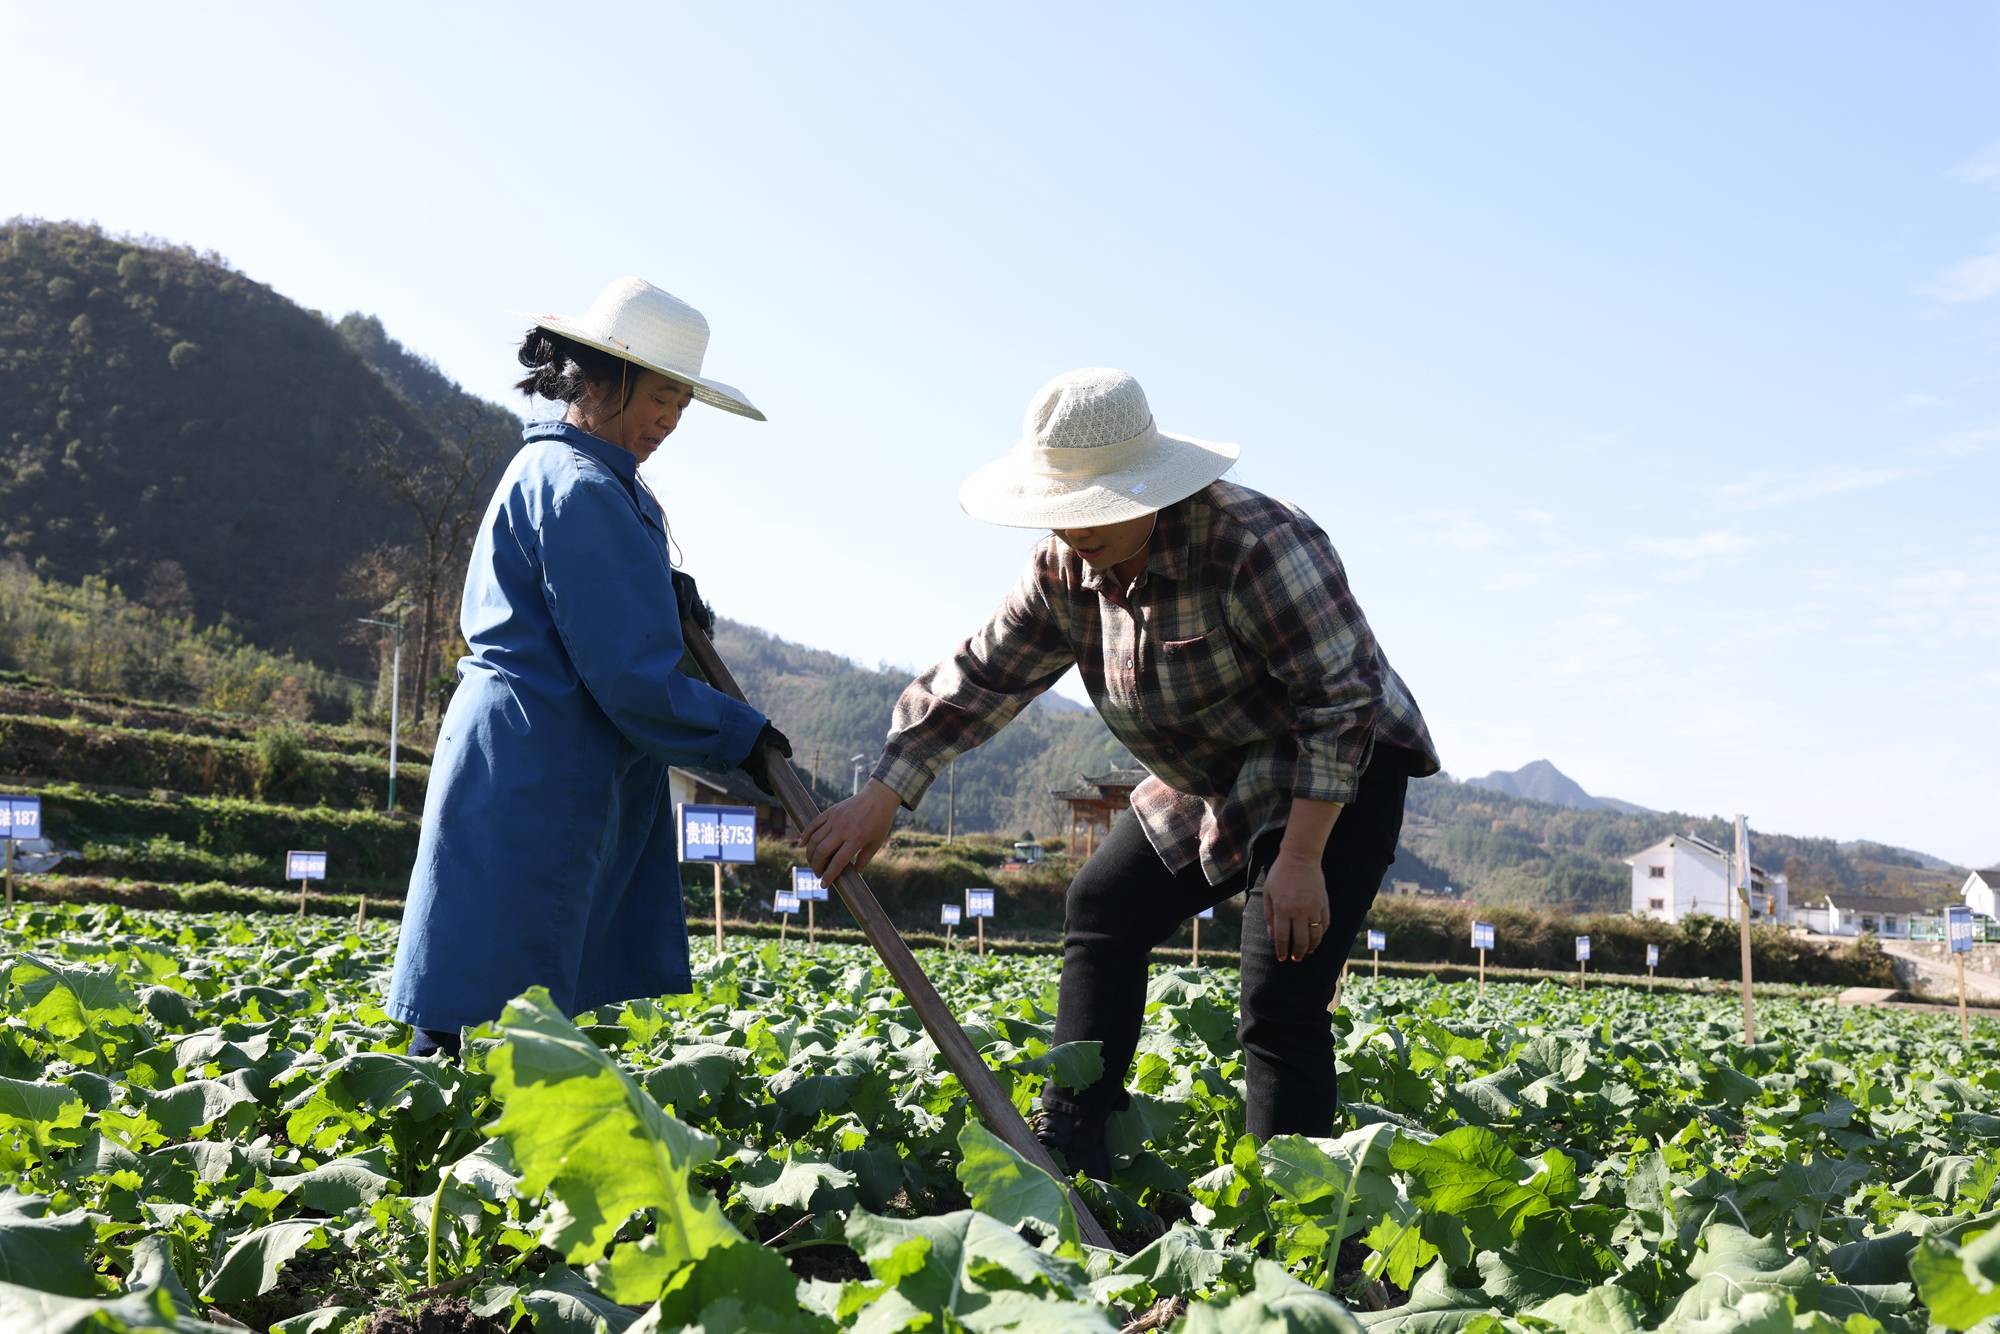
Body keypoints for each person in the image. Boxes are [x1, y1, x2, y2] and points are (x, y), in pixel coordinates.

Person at [805, 368, 1437, 1174]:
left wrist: (1304, 859)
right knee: (1105, 901)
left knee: (1281, 994)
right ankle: (1069, 1143)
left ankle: (1306, 1226)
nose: (1076, 530)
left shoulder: (1255, 542)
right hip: (1214, 771)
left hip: (1336, 765)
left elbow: (1340, 699)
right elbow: (986, 675)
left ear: (1152, 487)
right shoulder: (1062, 573)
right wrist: (884, 793)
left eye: (1094, 509)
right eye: (1060, 512)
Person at [387, 277, 787, 1057]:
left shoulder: (578, 477)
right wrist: (743, 738)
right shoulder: (581, 488)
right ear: (601, 380)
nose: (671, 419)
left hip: (529, 754)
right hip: (537, 761)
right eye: (660, 397)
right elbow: (632, 677)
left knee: (488, 979)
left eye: (683, 403)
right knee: (501, 997)